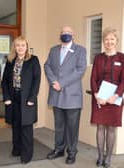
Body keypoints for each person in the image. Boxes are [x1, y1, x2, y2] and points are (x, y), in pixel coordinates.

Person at [44, 26, 87, 164]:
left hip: (72, 96)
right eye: (63, 32)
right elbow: (47, 66)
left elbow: (80, 70)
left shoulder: (80, 50)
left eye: (68, 32)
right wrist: (53, 81)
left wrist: (61, 83)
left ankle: (72, 152)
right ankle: (59, 149)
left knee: (72, 127)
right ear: (60, 35)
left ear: (73, 35)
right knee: (59, 126)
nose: (65, 34)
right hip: (56, 94)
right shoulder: (53, 50)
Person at [90, 27, 124, 168]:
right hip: (99, 97)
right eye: (106, 39)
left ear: (116, 41)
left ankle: (108, 158)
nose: (109, 42)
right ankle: (100, 156)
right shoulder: (98, 57)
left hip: (115, 97)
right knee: (100, 127)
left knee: (111, 128)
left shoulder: (123, 58)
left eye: (112, 39)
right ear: (103, 42)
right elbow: (93, 78)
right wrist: (96, 95)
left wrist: (116, 95)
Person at [1, 36, 41, 164]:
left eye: (23, 45)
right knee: (16, 126)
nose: (20, 48)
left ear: (26, 47)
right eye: (18, 45)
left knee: (26, 128)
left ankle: (26, 155)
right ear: (15, 47)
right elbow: (5, 81)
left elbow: (36, 80)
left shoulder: (33, 60)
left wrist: (32, 98)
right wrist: (6, 97)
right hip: (13, 99)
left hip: (27, 99)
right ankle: (17, 149)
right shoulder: (10, 61)